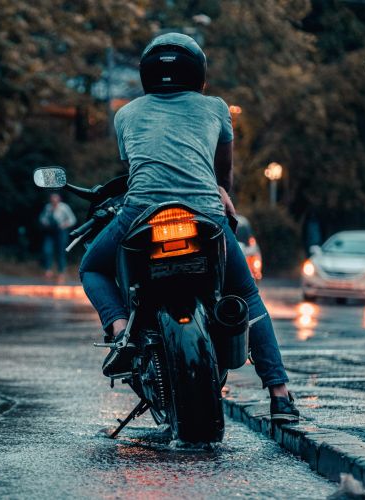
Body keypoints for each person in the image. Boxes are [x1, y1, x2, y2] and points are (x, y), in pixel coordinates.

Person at [78, 33, 299, 422]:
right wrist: (220, 196)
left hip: (141, 214)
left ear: (146, 74)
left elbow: (134, 166)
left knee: (92, 267)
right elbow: (222, 172)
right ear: (199, 74)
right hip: (204, 216)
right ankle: (280, 394)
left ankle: (119, 330)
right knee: (246, 294)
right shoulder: (216, 109)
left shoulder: (126, 114)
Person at [39, 193, 77, 280]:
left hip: (61, 231)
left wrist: (64, 225)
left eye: (55, 200)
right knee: (47, 250)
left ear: (59, 200)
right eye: (52, 200)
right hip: (50, 232)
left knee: (61, 252)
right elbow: (42, 218)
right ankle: (48, 271)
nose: (54, 202)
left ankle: (61, 272)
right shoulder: (48, 207)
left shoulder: (64, 207)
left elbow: (72, 219)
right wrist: (45, 223)